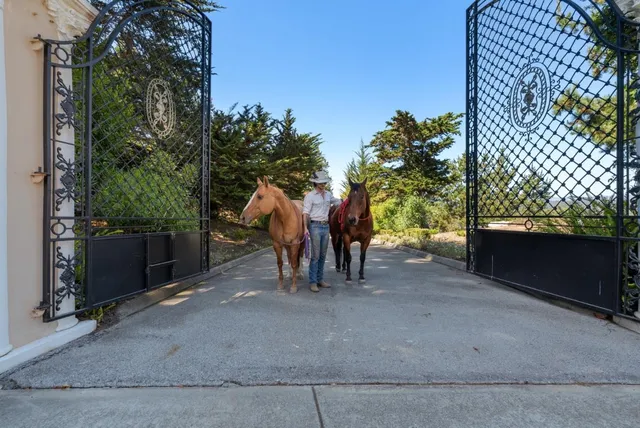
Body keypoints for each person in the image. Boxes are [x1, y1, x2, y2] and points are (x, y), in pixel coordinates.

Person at [302, 171, 342, 292]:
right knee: (315, 255)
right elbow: (305, 213)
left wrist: (349, 198)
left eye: (324, 182)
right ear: (315, 183)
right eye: (321, 182)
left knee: (323, 255)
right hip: (314, 226)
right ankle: (313, 281)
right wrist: (305, 228)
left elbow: (339, 202)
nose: (323, 184)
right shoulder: (310, 196)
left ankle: (320, 279)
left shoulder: (329, 194)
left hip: (326, 227)